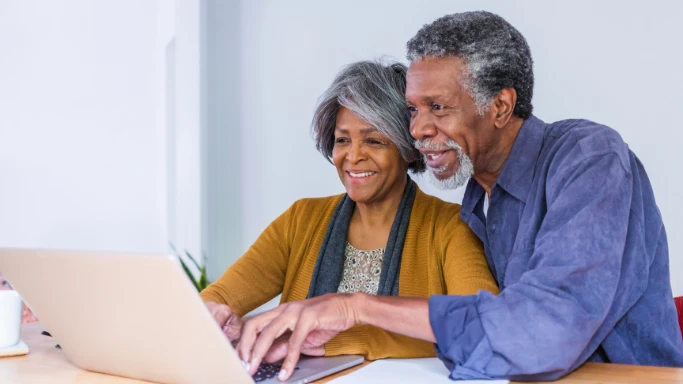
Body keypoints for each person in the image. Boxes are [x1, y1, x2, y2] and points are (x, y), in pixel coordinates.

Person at [236, 11, 683, 381]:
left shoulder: (588, 158)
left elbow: (544, 332)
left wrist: (357, 307)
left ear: (501, 107)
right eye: (413, 110)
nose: (417, 130)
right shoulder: (479, 198)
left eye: (439, 107)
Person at [200, 60, 498, 365]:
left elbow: (482, 327)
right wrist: (217, 317)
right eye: (343, 140)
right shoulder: (301, 220)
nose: (353, 156)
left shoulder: (450, 227)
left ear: (408, 148)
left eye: (373, 140)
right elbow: (219, 298)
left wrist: (328, 341)